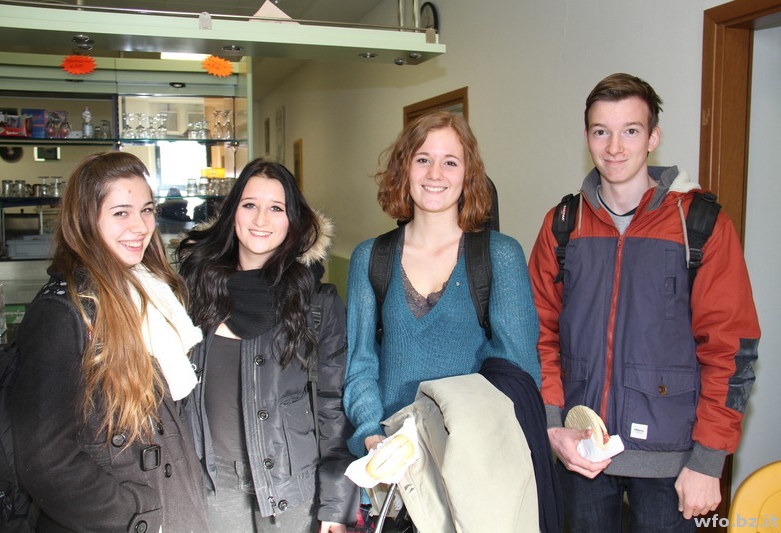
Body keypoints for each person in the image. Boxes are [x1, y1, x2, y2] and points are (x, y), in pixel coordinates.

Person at [528, 73, 761, 532]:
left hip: (673, 464)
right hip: (582, 451)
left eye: (630, 131)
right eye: (602, 131)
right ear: (587, 137)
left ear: (653, 138)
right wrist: (553, 425)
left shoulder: (701, 225)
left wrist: (708, 460)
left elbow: (730, 349)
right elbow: (538, 333)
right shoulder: (562, 225)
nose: (615, 147)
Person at [12, 151, 210, 531]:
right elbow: (46, 460)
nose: (140, 226)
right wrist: (135, 512)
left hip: (172, 505)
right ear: (85, 219)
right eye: (121, 212)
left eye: (147, 210)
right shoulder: (63, 313)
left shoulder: (149, 290)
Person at [343, 110, 541, 457]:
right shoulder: (370, 258)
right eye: (423, 159)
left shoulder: (500, 256)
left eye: (450, 162)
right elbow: (360, 364)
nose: (435, 174)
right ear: (404, 168)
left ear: (468, 174)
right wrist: (371, 433)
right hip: (393, 453)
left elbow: (519, 370)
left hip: (473, 455)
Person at [177, 158, 358, 533]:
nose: (261, 219)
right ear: (232, 214)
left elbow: (333, 409)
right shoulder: (194, 292)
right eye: (250, 205)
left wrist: (336, 506)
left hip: (293, 490)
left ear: (293, 220)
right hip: (211, 487)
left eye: (276, 208)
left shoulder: (317, 303)